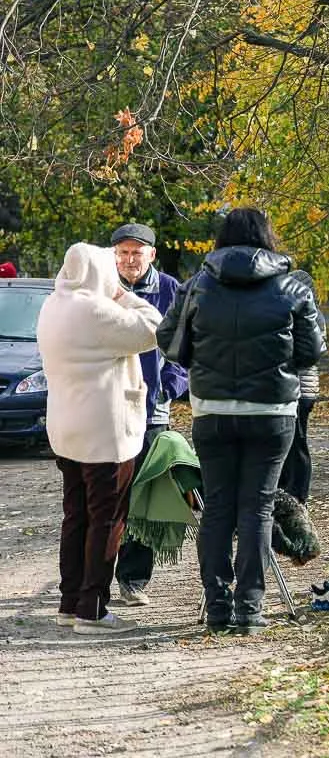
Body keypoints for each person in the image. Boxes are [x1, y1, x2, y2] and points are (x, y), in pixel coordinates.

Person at [157, 208, 323, 635]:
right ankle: (249, 608)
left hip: (211, 412)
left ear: (222, 240)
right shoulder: (292, 286)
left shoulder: (198, 285)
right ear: (267, 237)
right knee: (258, 507)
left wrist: (204, 362)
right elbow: (311, 350)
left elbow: (169, 342)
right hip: (272, 415)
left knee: (217, 509)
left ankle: (217, 606)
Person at [37, 243, 162, 634]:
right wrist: (123, 294)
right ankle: (93, 609)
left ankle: (69, 601)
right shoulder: (98, 308)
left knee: (75, 515)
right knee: (107, 518)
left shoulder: (53, 305)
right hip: (104, 432)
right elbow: (155, 327)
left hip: (65, 426)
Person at [111, 223, 189, 606]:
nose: (129, 260)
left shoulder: (170, 290)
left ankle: (133, 577)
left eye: (136, 253)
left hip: (152, 411)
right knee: (109, 494)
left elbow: (184, 347)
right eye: (123, 252)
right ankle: (92, 575)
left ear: (151, 255)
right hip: (108, 409)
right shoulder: (102, 287)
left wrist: (172, 386)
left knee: (144, 495)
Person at [277, 270, 326, 505]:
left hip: (302, 389)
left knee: (297, 441)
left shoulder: (312, 316)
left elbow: (312, 352)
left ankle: (298, 493)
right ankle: (289, 489)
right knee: (289, 441)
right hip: (291, 388)